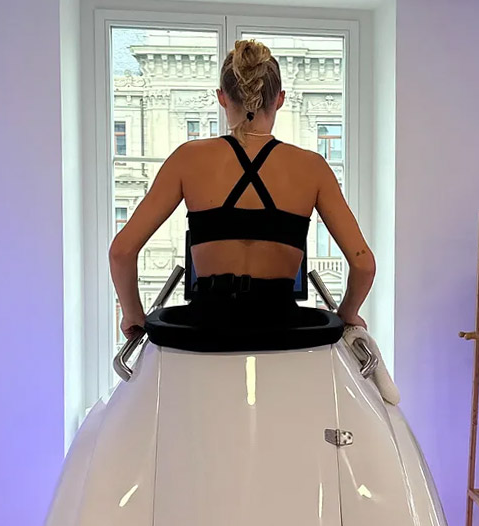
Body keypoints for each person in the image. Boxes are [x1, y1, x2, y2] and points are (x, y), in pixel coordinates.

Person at [109, 39, 375, 335]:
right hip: (283, 333)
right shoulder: (313, 167)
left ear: (222, 97)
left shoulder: (187, 159)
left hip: (206, 333)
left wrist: (132, 315)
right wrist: (347, 312)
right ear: (280, 99)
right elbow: (363, 264)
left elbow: (121, 251)